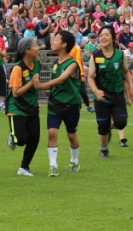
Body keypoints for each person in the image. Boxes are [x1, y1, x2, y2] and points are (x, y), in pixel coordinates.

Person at [34, 31, 82, 176]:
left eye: (56, 39)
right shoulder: (55, 63)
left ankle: (74, 161)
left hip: (71, 104)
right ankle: (52, 165)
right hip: (55, 103)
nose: (52, 41)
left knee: (71, 135)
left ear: (64, 44)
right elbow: (55, 84)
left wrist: (41, 86)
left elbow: (61, 79)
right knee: (52, 132)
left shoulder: (73, 63)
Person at [87, 25, 133, 158]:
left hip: (118, 94)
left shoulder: (120, 55)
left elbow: (126, 71)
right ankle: (104, 150)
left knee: (121, 122)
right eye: (101, 35)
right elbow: (90, 77)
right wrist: (96, 90)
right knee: (102, 125)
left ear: (113, 38)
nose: (103, 37)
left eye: (106, 35)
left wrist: (131, 87)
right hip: (101, 97)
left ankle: (110, 126)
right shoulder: (95, 56)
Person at [5, 37, 41, 176]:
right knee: (21, 140)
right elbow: (15, 93)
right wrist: (31, 83)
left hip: (32, 107)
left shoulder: (37, 63)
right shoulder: (18, 68)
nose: (38, 48)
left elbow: (36, 83)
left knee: (34, 138)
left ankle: (24, 167)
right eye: (35, 46)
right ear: (27, 50)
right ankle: (12, 135)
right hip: (17, 107)